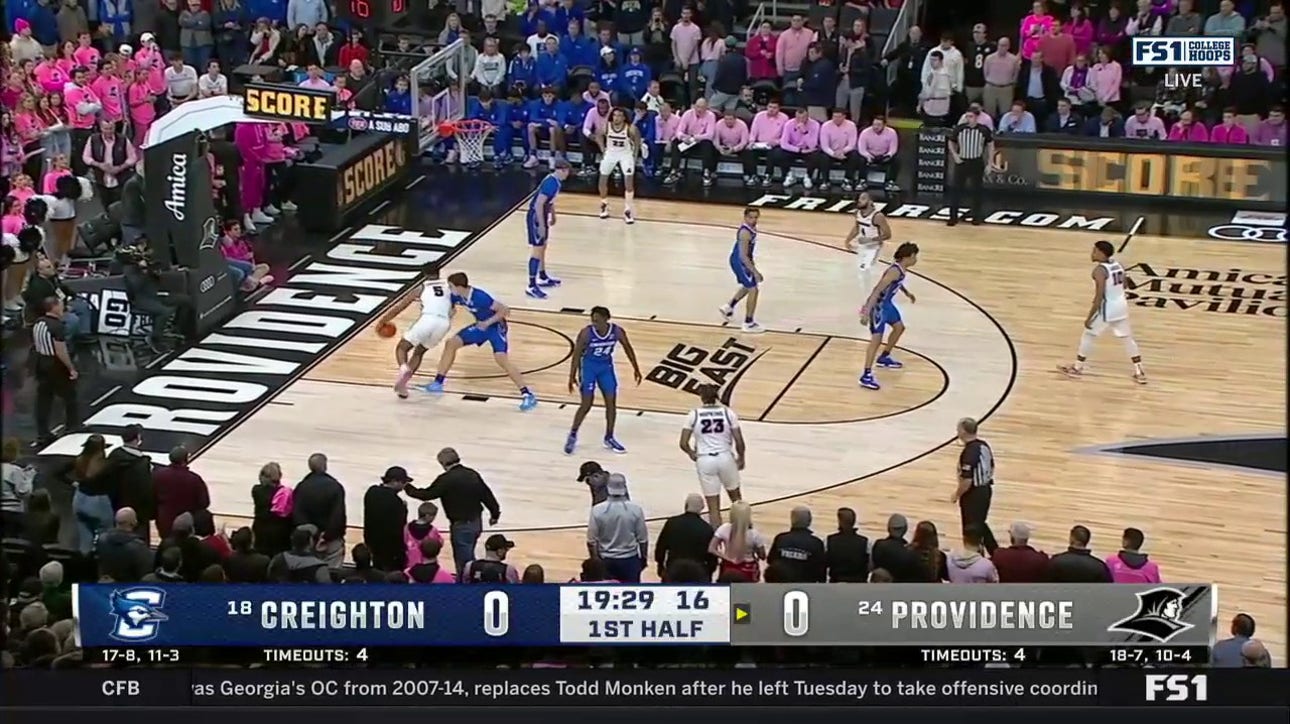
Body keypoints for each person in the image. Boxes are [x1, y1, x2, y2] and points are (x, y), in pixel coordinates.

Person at [423, 272, 538, 412]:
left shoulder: (480, 297)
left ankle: (527, 394)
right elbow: (451, 310)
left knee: (501, 359)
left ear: (459, 287)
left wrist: (487, 322)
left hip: (495, 327)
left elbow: (504, 310)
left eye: (451, 286)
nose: (449, 288)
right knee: (451, 343)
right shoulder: (456, 295)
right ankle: (438, 382)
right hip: (480, 326)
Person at [1058, 240, 1147, 384]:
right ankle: (1139, 371)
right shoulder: (1118, 265)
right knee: (1127, 338)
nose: (1092, 253)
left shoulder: (1099, 270)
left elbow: (1099, 296)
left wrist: (1089, 316)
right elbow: (1125, 284)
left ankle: (1077, 368)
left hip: (1107, 309)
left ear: (1101, 252)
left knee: (1088, 335)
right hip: (1121, 306)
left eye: (1094, 251)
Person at [404, 447, 502, 577]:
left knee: (464, 562)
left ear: (443, 464)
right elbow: (486, 494)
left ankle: (466, 587)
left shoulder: (446, 479)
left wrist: (408, 488)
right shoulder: (472, 474)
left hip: (461, 525)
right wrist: (494, 513)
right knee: (469, 554)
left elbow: (427, 494)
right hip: (476, 522)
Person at [565, 306, 643, 455]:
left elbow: (628, 347)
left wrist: (636, 367)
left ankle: (609, 436)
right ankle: (573, 434)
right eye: (593, 320)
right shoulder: (586, 333)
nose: (595, 323)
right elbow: (576, 355)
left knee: (611, 402)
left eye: (598, 321)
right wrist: (571, 375)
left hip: (606, 368)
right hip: (589, 367)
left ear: (606, 319)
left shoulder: (617, 331)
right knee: (586, 403)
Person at [678, 383, 746, 528]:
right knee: (737, 502)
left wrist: (691, 453)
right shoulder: (728, 413)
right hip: (725, 457)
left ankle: (717, 541)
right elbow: (739, 441)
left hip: (705, 459)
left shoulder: (694, 414)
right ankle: (745, 533)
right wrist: (741, 458)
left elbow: (683, 443)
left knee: (713, 508)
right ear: (716, 397)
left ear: (702, 397)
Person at [379, 270, 453, 399]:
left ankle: (403, 367)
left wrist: (384, 320)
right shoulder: (448, 286)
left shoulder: (421, 287)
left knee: (402, 347)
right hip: (444, 323)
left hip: (428, 319)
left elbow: (401, 306)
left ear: (423, 275)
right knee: (419, 352)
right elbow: (453, 309)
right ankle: (402, 386)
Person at [858, 242, 919, 391]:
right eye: (915, 256)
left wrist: (907, 293)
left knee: (899, 328)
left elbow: (897, 284)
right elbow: (877, 289)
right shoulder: (894, 271)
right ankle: (866, 375)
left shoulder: (901, 269)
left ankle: (884, 357)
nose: (916, 259)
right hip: (879, 307)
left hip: (888, 305)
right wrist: (866, 311)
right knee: (876, 341)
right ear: (908, 257)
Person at [30, 296, 79, 446]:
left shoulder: (38, 322)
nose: (63, 308)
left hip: (40, 362)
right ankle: (72, 426)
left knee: (44, 399)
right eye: (61, 305)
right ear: (54, 307)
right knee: (70, 396)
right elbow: (60, 350)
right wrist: (71, 368)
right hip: (54, 365)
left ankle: (43, 433)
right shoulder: (57, 326)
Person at [585, 473, 648, 582]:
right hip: (630, 560)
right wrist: (643, 558)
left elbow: (591, 541)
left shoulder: (597, 510)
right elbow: (643, 540)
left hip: (606, 559)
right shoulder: (636, 510)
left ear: (608, 488)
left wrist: (595, 561)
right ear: (625, 487)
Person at [523, 159, 570, 299]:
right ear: (561, 170)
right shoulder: (551, 183)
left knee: (542, 247)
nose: (568, 174)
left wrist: (553, 215)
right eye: (567, 171)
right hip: (536, 217)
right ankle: (531, 285)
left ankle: (542, 276)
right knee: (537, 250)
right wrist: (542, 225)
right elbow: (538, 204)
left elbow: (549, 201)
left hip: (542, 215)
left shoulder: (555, 181)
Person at [951, 418, 997, 553]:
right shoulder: (984, 446)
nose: (957, 432)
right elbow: (992, 467)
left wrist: (957, 494)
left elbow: (967, 480)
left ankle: (975, 555)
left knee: (971, 528)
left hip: (974, 494)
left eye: (958, 429)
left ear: (964, 431)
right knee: (980, 524)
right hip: (985, 490)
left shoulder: (970, 452)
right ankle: (994, 552)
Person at [718, 207, 765, 334]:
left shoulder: (752, 228)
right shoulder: (745, 233)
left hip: (740, 260)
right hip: (740, 261)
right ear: (745, 217)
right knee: (753, 290)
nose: (753, 220)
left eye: (756, 217)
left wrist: (752, 264)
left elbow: (748, 253)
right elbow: (743, 256)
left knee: (748, 285)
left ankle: (728, 306)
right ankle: (748, 323)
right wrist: (755, 271)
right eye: (751, 217)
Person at [946, 109, 994, 226]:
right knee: (956, 190)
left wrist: (990, 163)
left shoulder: (983, 130)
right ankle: (953, 217)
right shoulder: (959, 128)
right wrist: (955, 156)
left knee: (977, 191)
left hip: (976, 162)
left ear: (976, 117)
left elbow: (991, 145)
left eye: (971, 116)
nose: (968, 119)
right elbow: (951, 142)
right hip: (962, 162)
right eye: (967, 116)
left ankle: (976, 217)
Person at [842, 191, 892, 300]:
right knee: (862, 272)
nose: (859, 201)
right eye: (859, 198)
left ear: (870, 201)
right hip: (863, 246)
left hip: (874, 247)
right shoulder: (857, 213)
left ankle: (871, 296)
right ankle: (869, 293)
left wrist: (870, 240)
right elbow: (856, 228)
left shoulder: (878, 216)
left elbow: (888, 235)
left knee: (865, 270)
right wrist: (847, 241)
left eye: (863, 198)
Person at [595, 108, 641, 224]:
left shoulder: (630, 128)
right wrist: (602, 149)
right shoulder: (607, 126)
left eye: (619, 115)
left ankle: (628, 209)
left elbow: (637, 141)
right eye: (615, 115)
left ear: (624, 117)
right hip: (610, 153)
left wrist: (634, 156)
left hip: (625, 154)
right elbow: (598, 135)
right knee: (602, 180)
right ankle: (604, 204)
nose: (616, 118)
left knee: (628, 182)